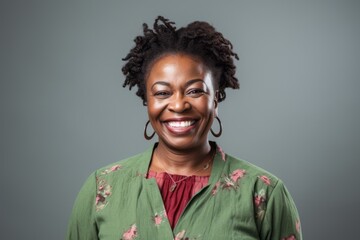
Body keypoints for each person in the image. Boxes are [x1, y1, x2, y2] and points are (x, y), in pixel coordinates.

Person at [67, 16, 302, 240]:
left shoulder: (264, 192)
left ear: (216, 99)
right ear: (147, 101)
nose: (179, 105)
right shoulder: (102, 188)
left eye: (195, 91)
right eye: (162, 93)